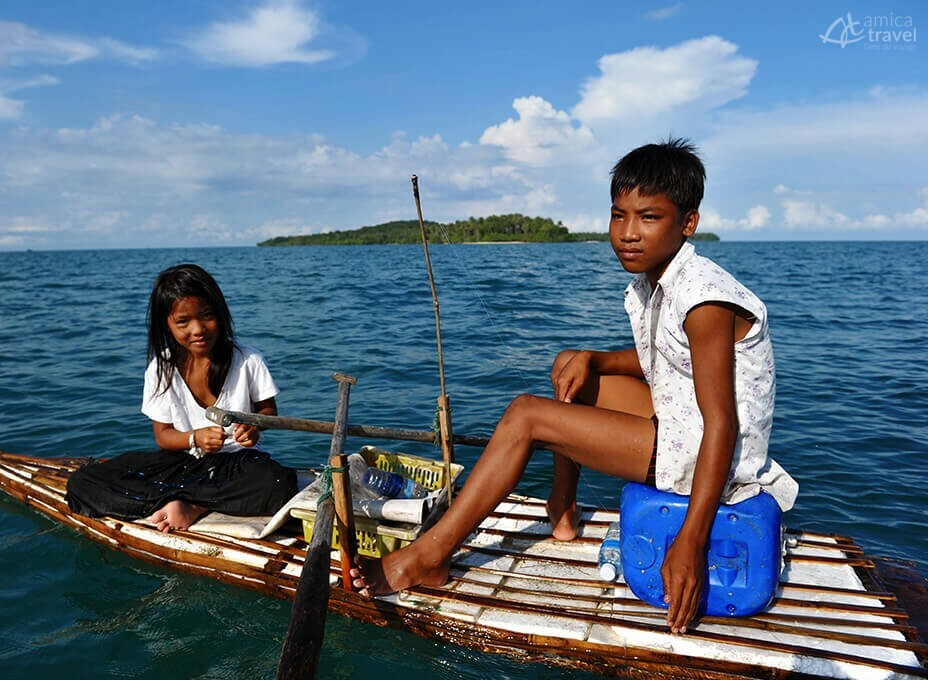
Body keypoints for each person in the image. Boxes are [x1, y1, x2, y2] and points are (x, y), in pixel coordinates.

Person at [351, 138, 798, 634]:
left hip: (707, 453)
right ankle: (561, 512)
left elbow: (723, 423)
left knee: (528, 415)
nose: (628, 234)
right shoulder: (667, 277)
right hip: (683, 423)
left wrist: (691, 540)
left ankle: (427, 557)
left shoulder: (703, 300)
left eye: (648, 218)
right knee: (570, 364)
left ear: (686, 223)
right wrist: (594, 359)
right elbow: (669, 361)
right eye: (618, 215)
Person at [66, 264, 297, 533]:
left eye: (207, 316)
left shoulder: (248, 360)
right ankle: (181, 499)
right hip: (184, 464)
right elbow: (163, 436)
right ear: (166, 324)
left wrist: (254, 426)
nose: (198, 329)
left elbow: (268, 411)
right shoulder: (160, 368)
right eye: (183, 322)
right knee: (84, 481)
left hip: (239, 464)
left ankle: (192, 506)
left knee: (279, 484)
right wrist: (194, 438)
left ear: (221, 314)